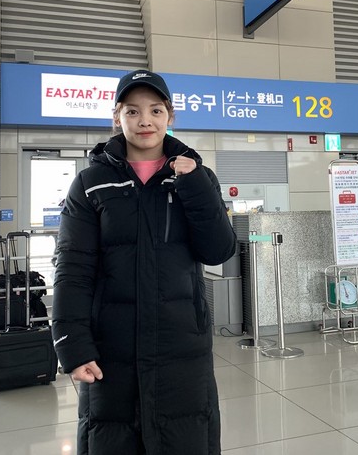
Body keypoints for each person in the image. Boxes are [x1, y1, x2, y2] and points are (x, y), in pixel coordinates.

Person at [52, 69, 237, 455]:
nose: (145, 121)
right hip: (112, 348)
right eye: (132, 111)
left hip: (181, 345)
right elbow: (73, 267)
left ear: (170, 116)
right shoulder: (91, 182)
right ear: (117, 118)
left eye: (155, 110)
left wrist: (194, 185)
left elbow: (218, 251)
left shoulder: (197, 177)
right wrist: (73, 343)